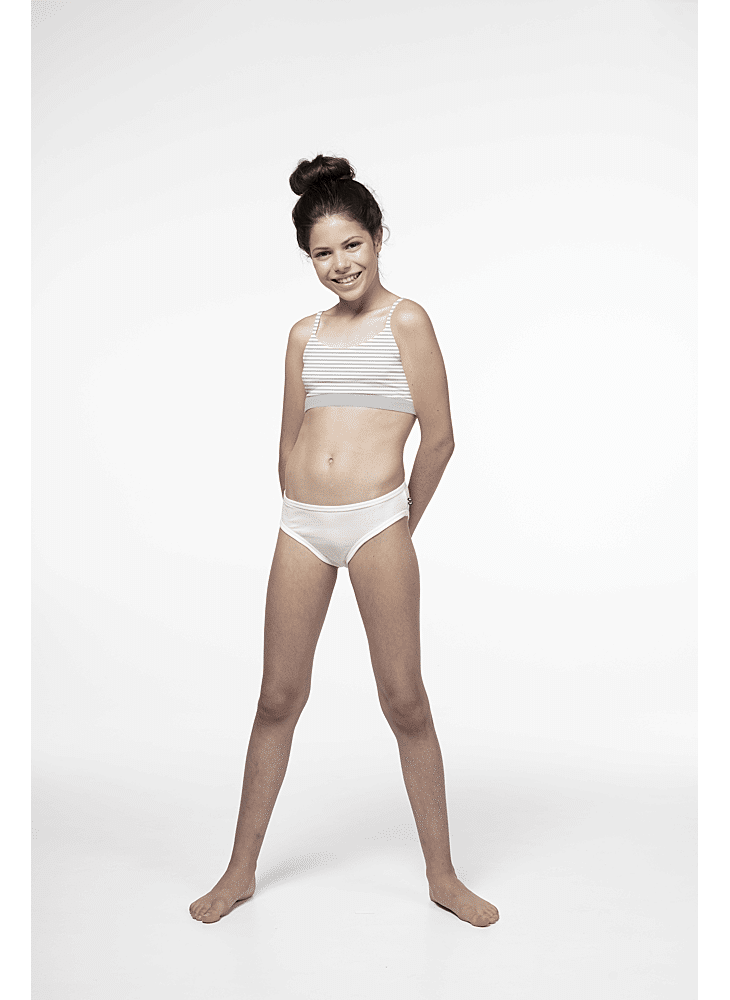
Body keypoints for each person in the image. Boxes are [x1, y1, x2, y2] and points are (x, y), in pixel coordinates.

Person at [189, 155, 500, 928]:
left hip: (378, 522)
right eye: (322, 253)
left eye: (352, 245)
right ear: (309, 258)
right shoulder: (304, 334)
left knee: (404, 700)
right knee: (276, 698)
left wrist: (397, 522)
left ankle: (443, 876)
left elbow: (441, 439)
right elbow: (288, 436)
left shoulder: (407, 321)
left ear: (378, 237)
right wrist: (301, 501)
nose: (340, 264)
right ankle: (239, 871)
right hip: (301, 524)